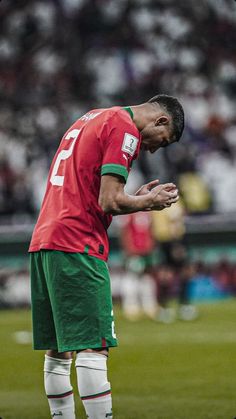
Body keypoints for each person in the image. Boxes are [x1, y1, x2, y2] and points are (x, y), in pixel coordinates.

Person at [29, 94, 184, 419]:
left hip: (45, 239)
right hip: (78, 243)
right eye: (162, 141)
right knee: (93, 347)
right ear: (161, 121)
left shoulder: (92, 117)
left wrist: (133, 199)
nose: (153, 148)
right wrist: (149, 203)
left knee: (58, 351)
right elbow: (109, 201)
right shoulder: (125, 129)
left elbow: (93, 190)